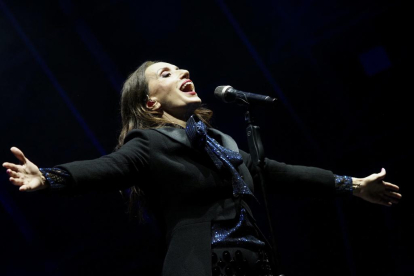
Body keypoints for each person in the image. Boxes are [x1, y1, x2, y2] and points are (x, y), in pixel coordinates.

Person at [3, 61, 402, 276]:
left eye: (182, 69)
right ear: (151, 104)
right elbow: (106, 168)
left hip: (256, 261)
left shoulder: (224, 145)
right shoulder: (150, 143)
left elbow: (278, 172)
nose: (184, 73)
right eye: (167, 73)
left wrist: (351, 185)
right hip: (205, 264)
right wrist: (49, 178)